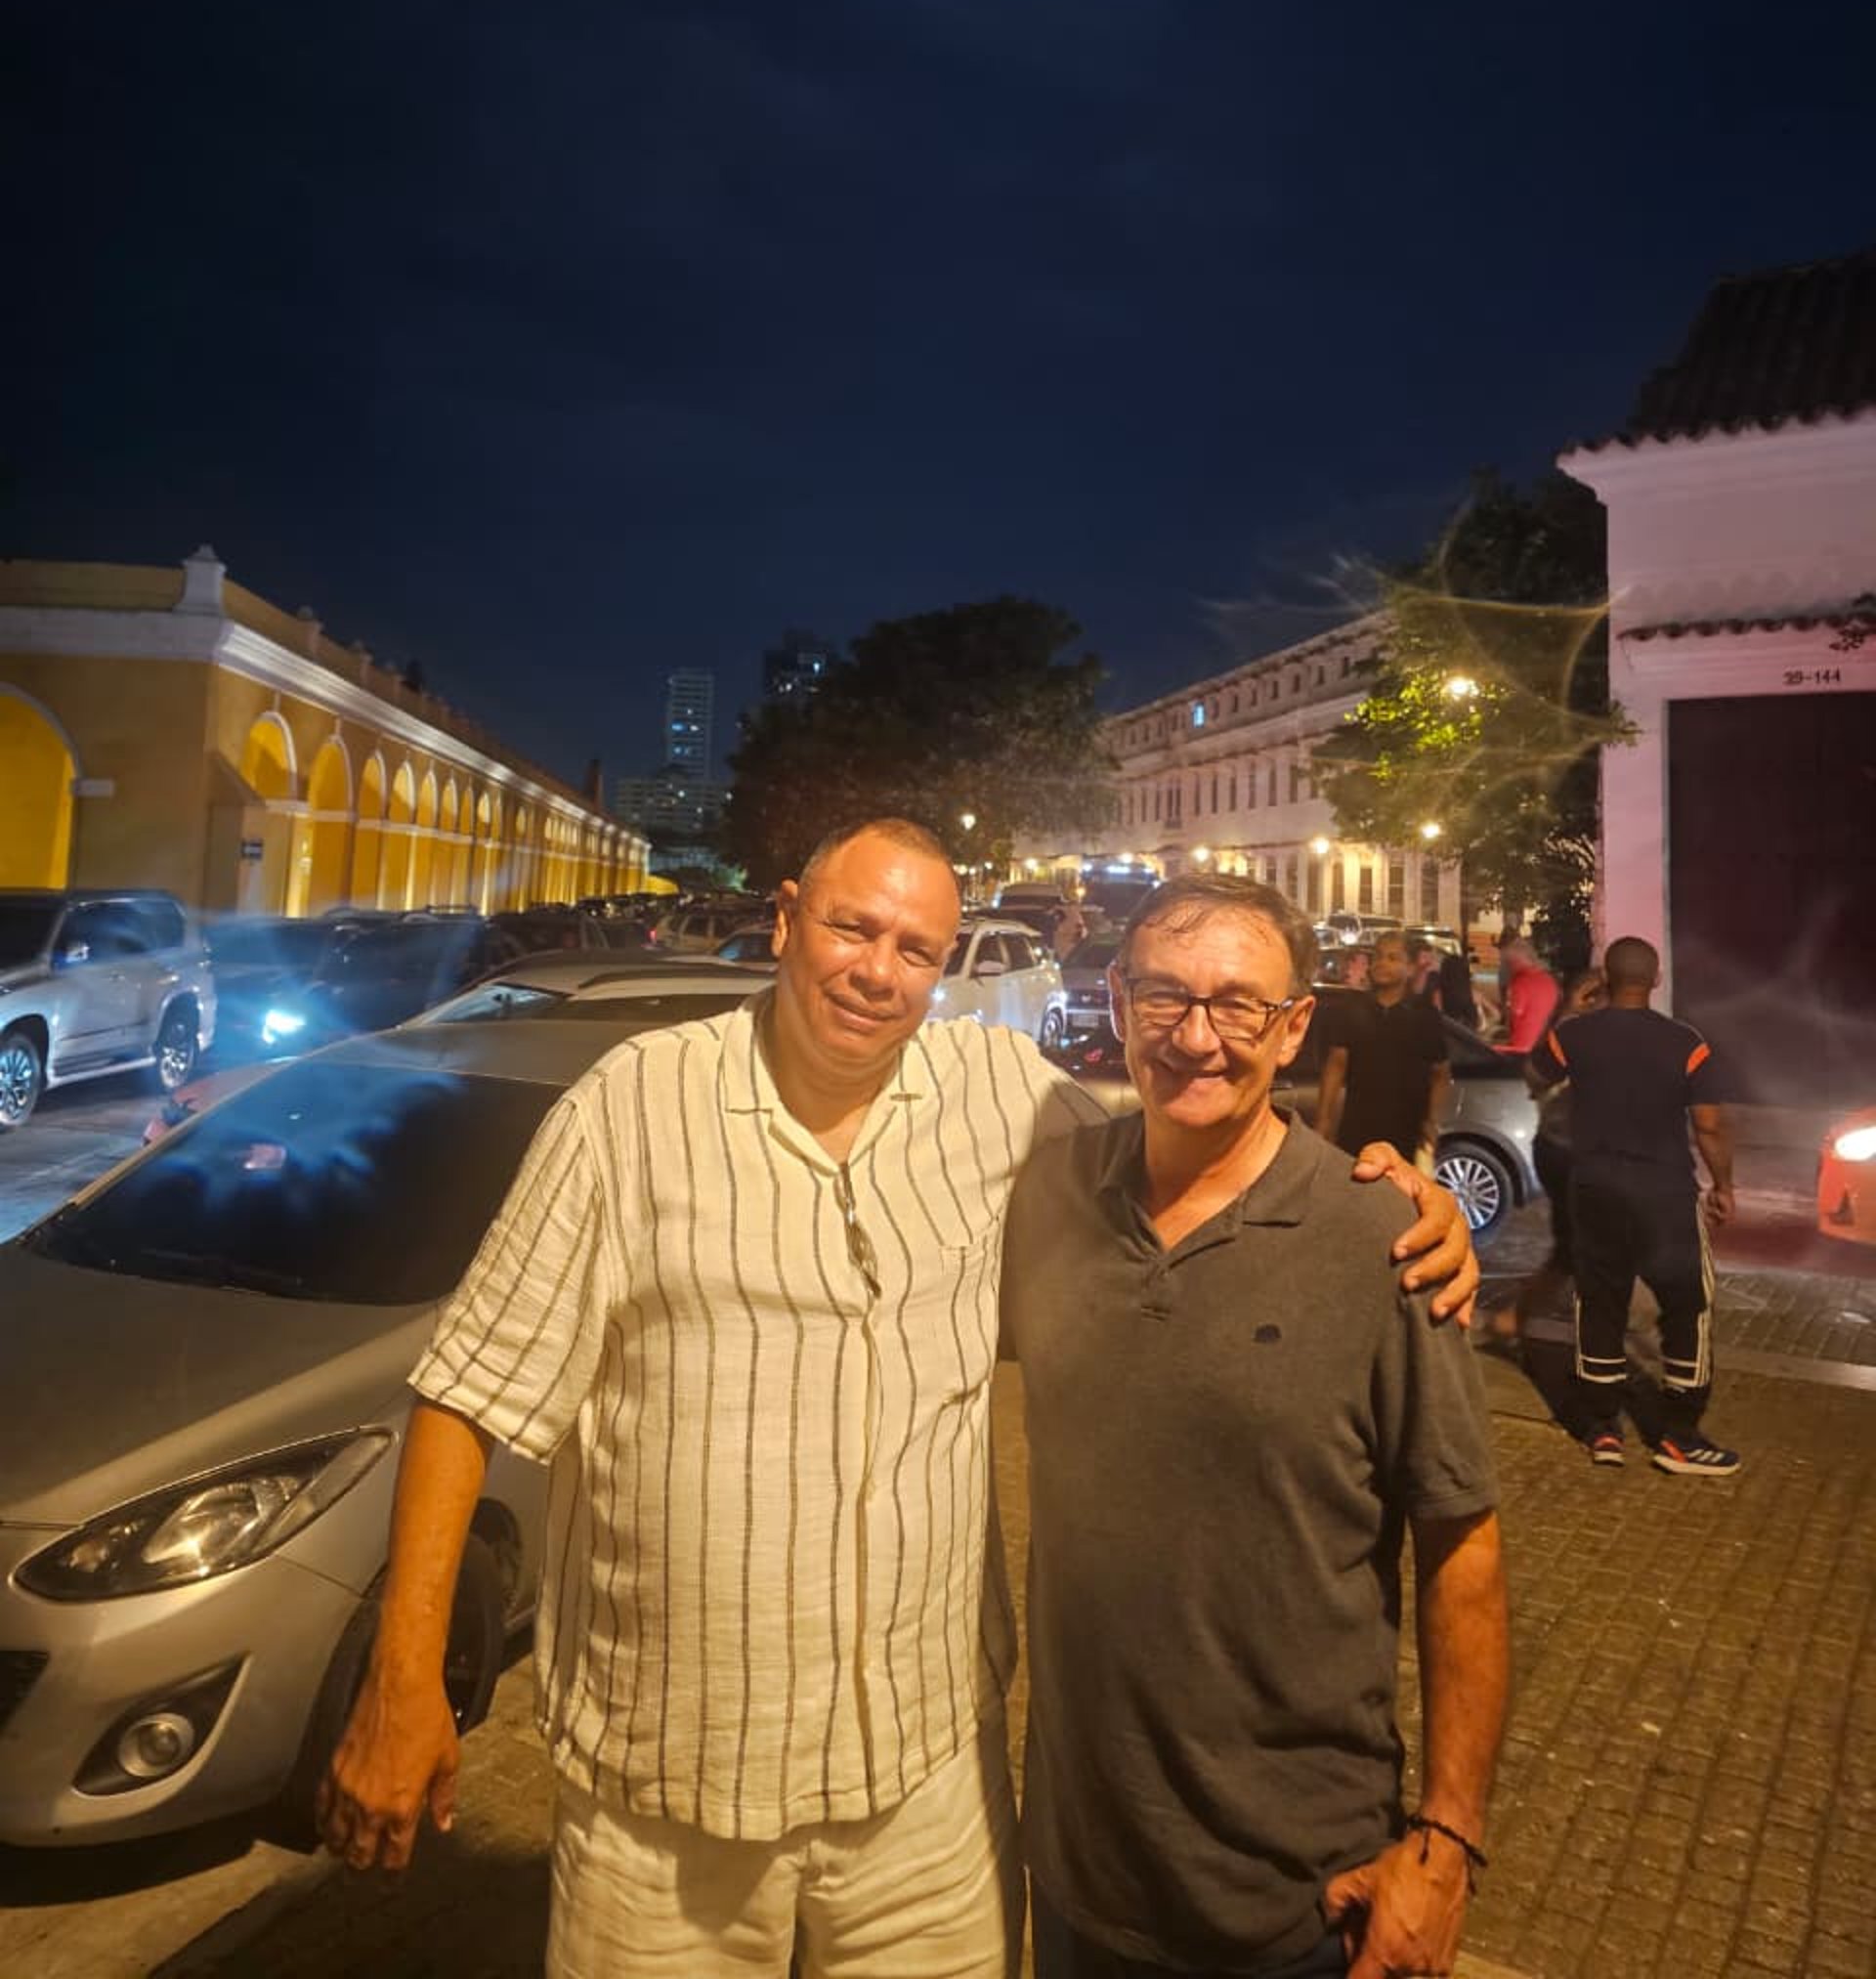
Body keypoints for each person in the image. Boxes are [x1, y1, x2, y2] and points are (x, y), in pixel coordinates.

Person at [318, 819, 1477, 1978]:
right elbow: (469, 1392)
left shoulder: (999, 1098)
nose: (879, 970)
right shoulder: (633, 1109)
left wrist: (1393, 1198)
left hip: (922, 1799)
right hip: (668, 1788)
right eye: (851, 928)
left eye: (917, 948)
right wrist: (405, 1676)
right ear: (786, 920)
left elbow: (1199, 1145)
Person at [1003, 875, 1509, 1978]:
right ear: (1120, 1002)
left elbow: (1462, 1547)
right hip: (1081, 1873)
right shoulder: (1049, 1195)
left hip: (1302, 1898)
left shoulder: (1382, 1239)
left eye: (1237, 1005)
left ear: (1292, 1028)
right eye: (1164, 996)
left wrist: (1449, 1838)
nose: (1196, 1038)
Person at [1531, 934, 1740, 1475]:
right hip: (1665, 1196)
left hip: (1595, 1190)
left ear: (1604, 978)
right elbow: (1709, 1126)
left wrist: (1569, 1010)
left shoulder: (1576, 1035)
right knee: (1687, 1304)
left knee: (1601, 1301)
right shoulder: (1686, 1043)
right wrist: (1723, 1185)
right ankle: (1680, 1434)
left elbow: (1537, 1074)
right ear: (1656, 980)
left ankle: (1603, 1429)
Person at [1479, 963, 1606, 1350]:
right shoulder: (1578, 1032)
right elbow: (1536, 1075)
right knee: (1584, 1250)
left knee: (1573, 1251)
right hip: (1570, 1152)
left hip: (1567, 1150)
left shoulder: (1580, 1029)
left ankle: (1514, 1320)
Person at [1316, 929, 1450, 1174]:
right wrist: (1323, 1121)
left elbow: (1440, 1073)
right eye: (1377, 956)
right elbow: (1336, 1066)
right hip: (1357, 1130)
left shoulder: (1425, 1016)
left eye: (1393, 958)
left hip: (1405, 1133)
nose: (1381, 963)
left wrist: (1432, 1121)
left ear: (1410, 968)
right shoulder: (1352, 1010)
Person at [1494, 934, 1559, 1055]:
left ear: (1516, 961)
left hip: (1521, 1050)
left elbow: (1514, 1015)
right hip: (1544, 1047)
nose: (1507, 968)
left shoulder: (1520, 982)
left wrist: (1489, 1005)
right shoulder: (1549, 980)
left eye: (1507, 963)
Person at [1408, 931, 1478, 1030]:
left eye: (1430, 957)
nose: (1429, 961)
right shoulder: (1406, 979)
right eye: (1424, 957)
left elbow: (1438, 1005)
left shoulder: (1434, 978)